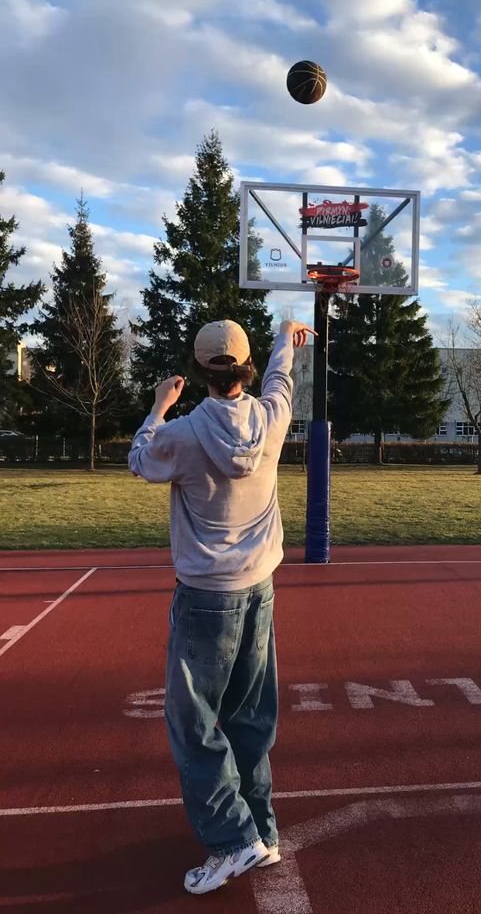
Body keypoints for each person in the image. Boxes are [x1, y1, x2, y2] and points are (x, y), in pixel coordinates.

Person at [128, 318, 314, 895]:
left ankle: (233, 840)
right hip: (260, 588)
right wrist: (287, 336)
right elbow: (284, 374)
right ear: (245, 366)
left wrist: (158, 405)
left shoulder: (181, 434)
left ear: (204, 369)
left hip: (207, 596)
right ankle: (262, 830)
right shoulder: (271, 417)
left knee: (192, 722)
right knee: (249, 715)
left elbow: (140, 457)